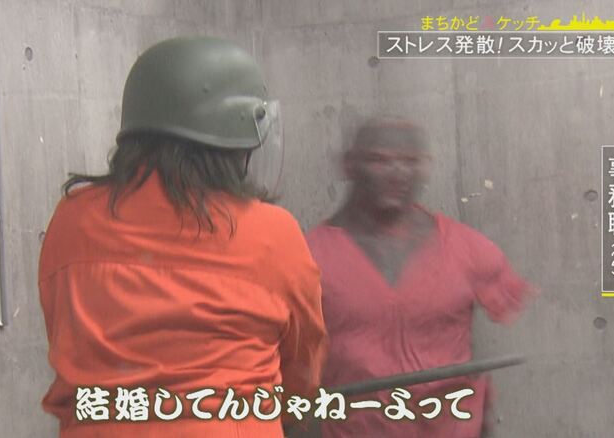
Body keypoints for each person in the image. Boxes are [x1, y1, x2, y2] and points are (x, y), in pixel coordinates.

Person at [38, 36, 327, 437]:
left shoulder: (72, 222)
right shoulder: (272, 234)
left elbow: (66, 336)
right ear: (235, 143)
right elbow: (302, 372)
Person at [305, 118, 536, 437]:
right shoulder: (307, 257)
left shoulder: (467, 248)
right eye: (379, 160)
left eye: (409, 161)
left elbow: (513, 314)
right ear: (350, 165)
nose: (397, 172)